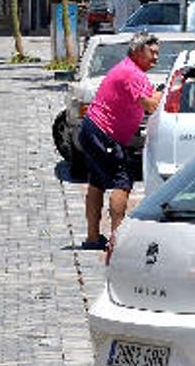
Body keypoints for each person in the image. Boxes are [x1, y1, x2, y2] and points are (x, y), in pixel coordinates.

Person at [78, 33, 163, 250]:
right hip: (103, 133)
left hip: (93, 129)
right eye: (151, 52)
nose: (156, 58)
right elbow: (151, 105)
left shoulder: (130, 70)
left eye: (157, 53)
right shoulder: (132, 73)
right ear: (137, 51)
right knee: (121, 181)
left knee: (96, 182)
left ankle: (93, 237)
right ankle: (117, 240)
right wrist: (166, 93)